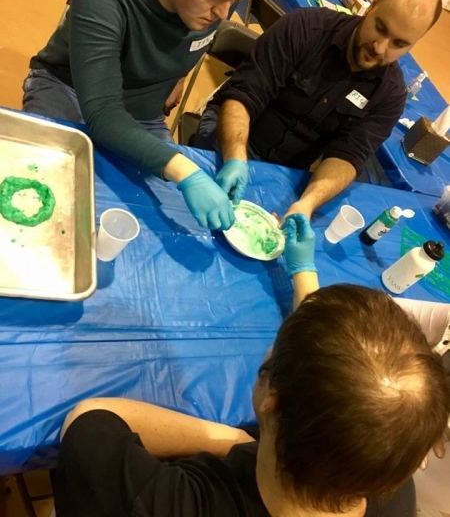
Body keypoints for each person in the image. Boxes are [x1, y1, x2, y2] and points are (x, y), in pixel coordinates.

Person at [53, 214, 450, 517]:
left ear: (270, 401)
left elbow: (90, 420)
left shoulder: (163, 501)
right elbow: (343, 362)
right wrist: (304, 273)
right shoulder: (393, 491)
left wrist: (232, 439)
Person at [21, 0, 265, 231]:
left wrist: (178, 78)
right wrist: (186, 171)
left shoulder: (205, 3)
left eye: (234, 1)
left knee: (167, 223)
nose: (223, 13)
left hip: (142, 113)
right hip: (70, 90)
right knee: (48, 203)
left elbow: (189, 43)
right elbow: (104, 113)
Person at [194, 0, 443, 220]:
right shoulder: (305, 27)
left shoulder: (390, 95)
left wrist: (308, 202)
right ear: (372, 4)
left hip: (288, 170)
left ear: (413, 44)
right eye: (380, 27)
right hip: (233, 134)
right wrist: (235, 157)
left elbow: (348, 155)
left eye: (398, 44)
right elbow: (244, 94)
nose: (379, 47)